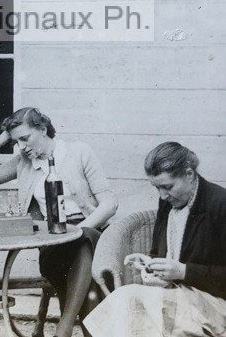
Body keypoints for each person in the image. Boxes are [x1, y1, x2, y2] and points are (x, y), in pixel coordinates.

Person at [0, 107, 117, 337]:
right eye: (16, 141)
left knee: (85, 243)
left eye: (25, 138)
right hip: (54, 241)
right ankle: (66, 327)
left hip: (90, 231)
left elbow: (109, 203)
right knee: (87, 268)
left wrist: (78, 230)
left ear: (43, 129)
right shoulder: (24, 162)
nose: (21, 146)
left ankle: (64, 326)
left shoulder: (78, 152)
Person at [84, 142, 226, 336]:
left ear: (189, 174)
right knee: (130, 307)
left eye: (167, 186)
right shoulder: (168, 202)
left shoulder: (220, 205)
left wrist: (184, 271)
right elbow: (163, 253)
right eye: (157, 188)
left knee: (128, 300)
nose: (162, 195)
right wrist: (150, 263)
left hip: (214, 303)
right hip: (177, 296)